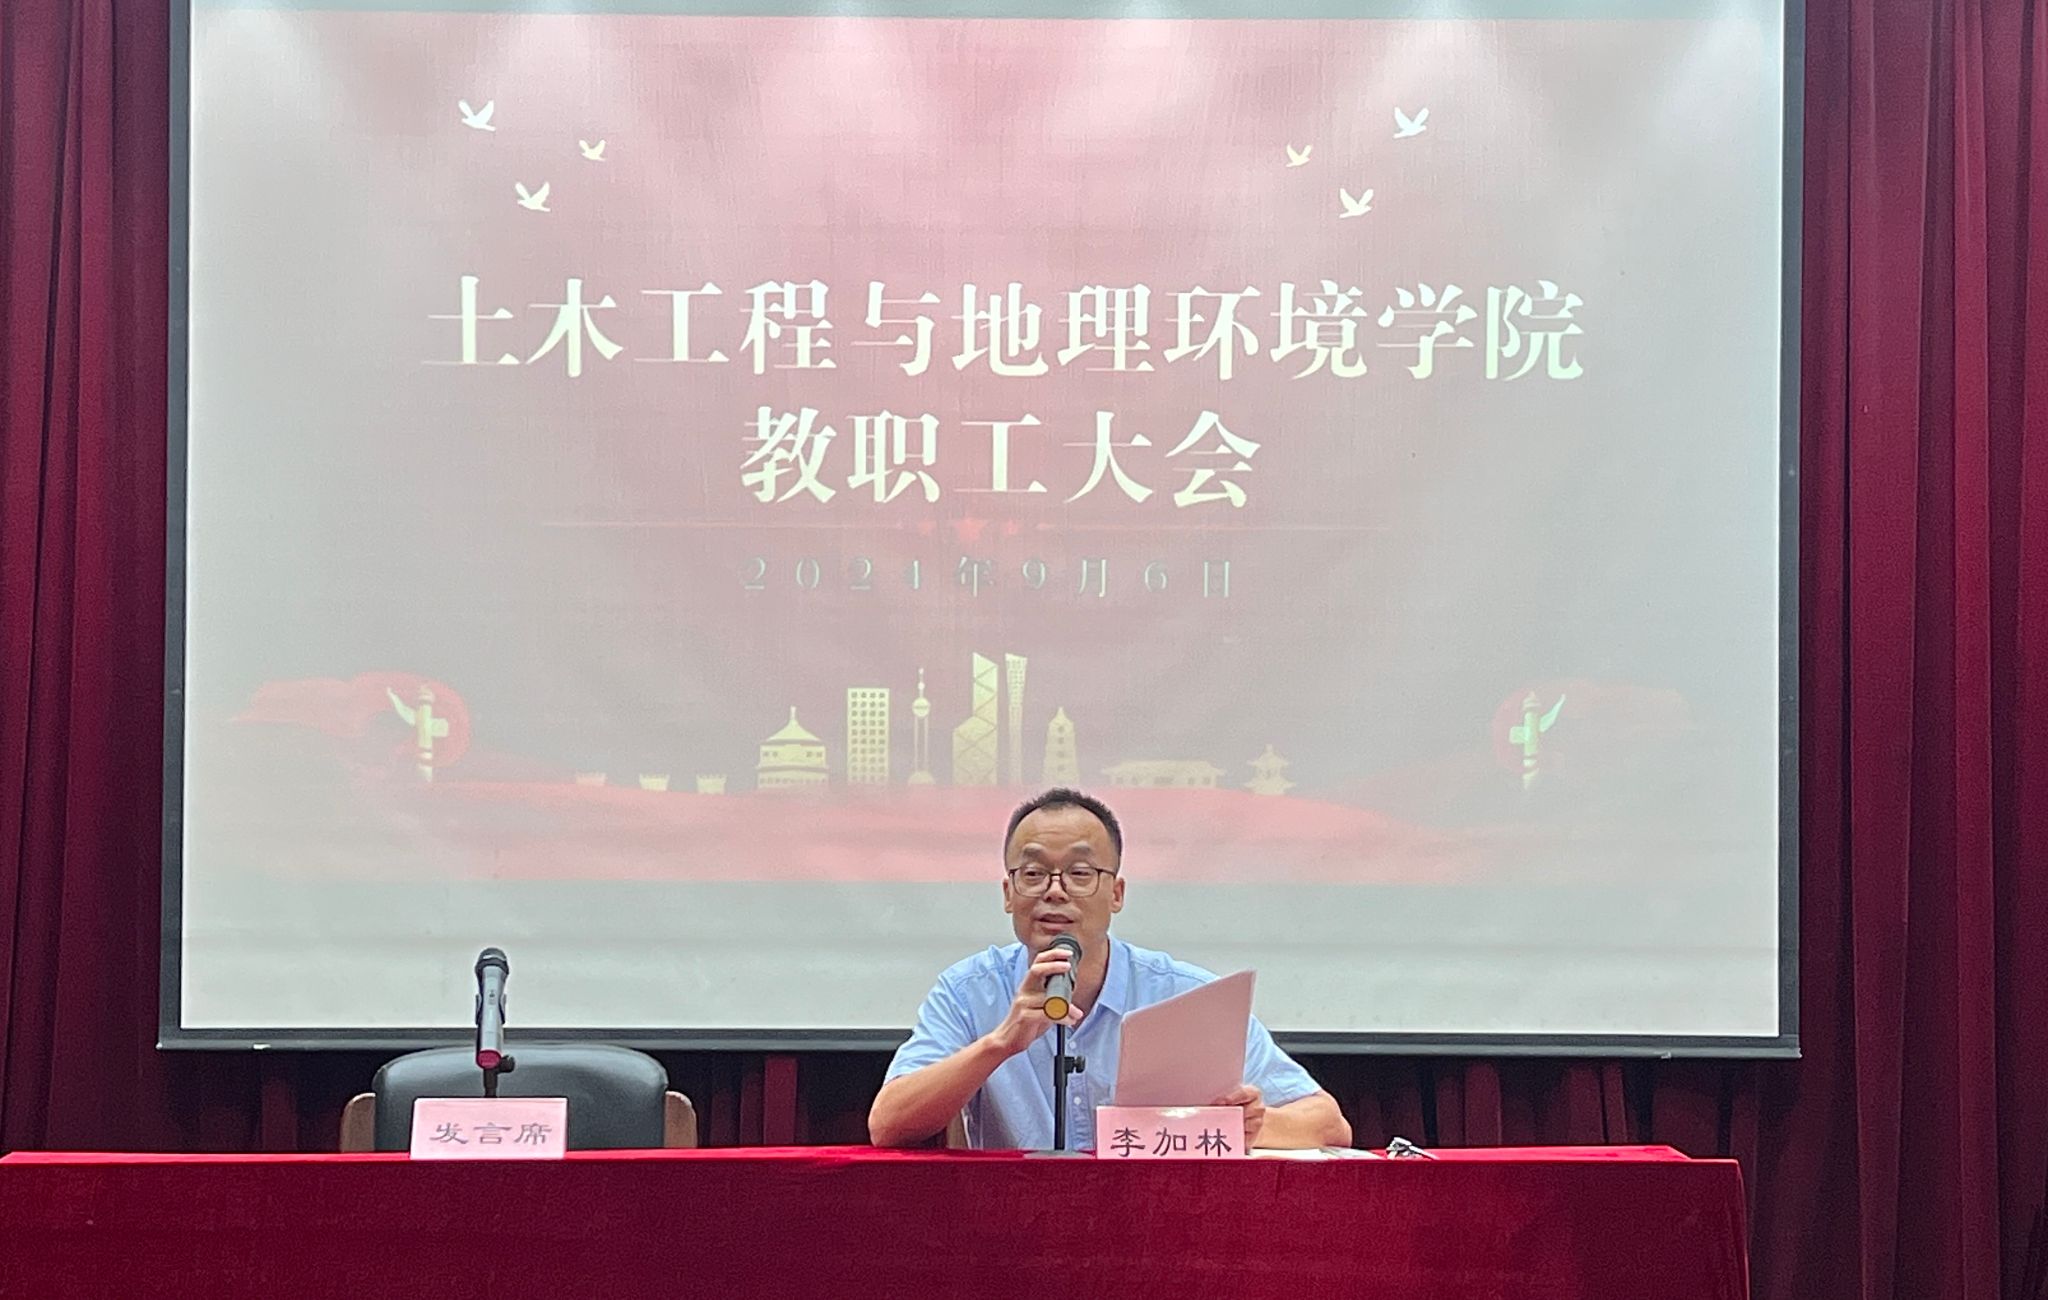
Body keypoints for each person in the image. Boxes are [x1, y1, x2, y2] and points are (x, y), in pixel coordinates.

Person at [869, 787, 1352, 1150]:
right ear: (1008, 894)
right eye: (1033, 873)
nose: (1054, 891)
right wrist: (1000, 1043)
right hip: (1015, 1228)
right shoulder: (969, 990)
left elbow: (1329, 1124)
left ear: (1116, 894)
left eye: (1080, 874)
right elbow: (888, 1124)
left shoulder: (1184, 995)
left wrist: (1250, 1125)